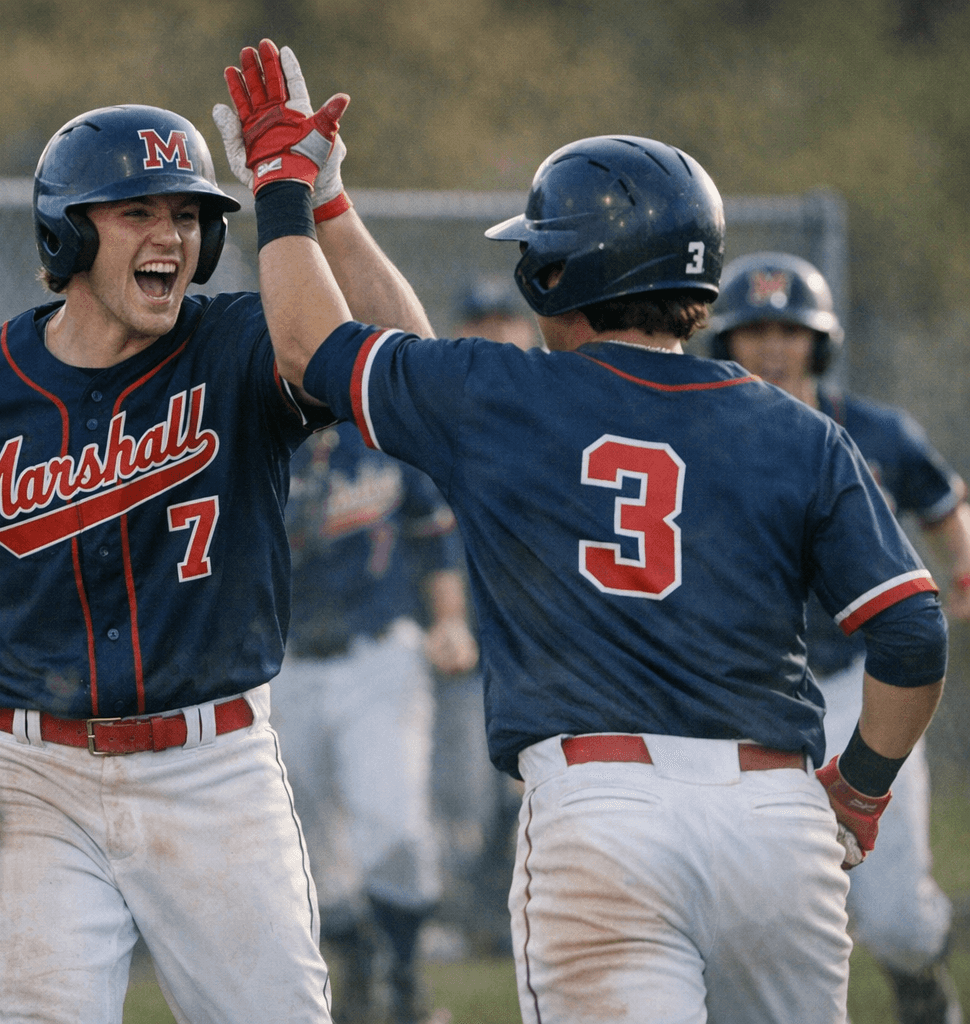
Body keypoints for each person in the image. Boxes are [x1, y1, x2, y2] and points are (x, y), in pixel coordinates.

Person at [228, 40, 949, 1021]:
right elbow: (913, 635)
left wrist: (283, 189)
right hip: (774, 820)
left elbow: (317, 346)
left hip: (602, 814)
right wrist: (860, 790)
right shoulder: (804, 432)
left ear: (558, 269)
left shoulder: (505, 399)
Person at [0, 62, 430, 1023]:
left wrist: (323, 201)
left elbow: (404, 377)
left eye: (188, 216)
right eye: (136, 212)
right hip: (29, 781)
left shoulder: (237, 346)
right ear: (66, 233)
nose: (171, 238)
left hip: (213, 766)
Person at [710, 251, 970, 1024]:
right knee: (754, 904)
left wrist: (962, 565)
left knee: (892, 915)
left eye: (789, 329)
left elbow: (942, 501)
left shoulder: (875, 430)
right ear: (726, 342)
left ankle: (920, 965)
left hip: (866, 681)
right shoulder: (708, 435)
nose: (772, 347)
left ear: (820, 341)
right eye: (753, 330)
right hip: (749, 688)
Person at [271, 417, 473, 1024]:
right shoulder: (257, 431)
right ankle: (357, 970)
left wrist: (450, 619)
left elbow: (433, 532)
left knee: (394, 823)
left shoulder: (382, 429)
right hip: (283, 662)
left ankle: (405, 974)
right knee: (305, 838)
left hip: (379, 654)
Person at [428, 275, 537, 959]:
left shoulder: (554, 414)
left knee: (528, 797)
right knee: (463, 797)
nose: (494, 332)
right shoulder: (434, 417)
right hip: (465, 647)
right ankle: (458, 917)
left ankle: (515, 913)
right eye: (480, 320)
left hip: (534, 648)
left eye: (505, 320)